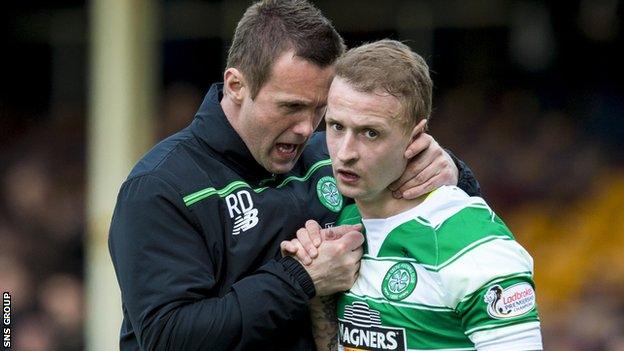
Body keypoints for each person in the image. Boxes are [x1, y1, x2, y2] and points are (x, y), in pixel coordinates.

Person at [108, 1, 480, 350]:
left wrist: (452, 174)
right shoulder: (162, 186)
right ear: (237, 85)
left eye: (321, 110)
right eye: (291, 107)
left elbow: (441, 225)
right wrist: (301, 278)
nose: (306, 128)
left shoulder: (333, 157)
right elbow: (168, 336)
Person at [284, 40, 542, 350]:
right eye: (337, 127)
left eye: (370, 133)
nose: (345, 152)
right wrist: (317, 293)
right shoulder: (340, 231)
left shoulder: (474, 244)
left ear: (416, 137)